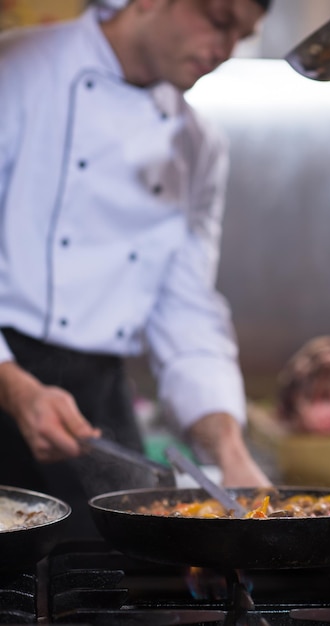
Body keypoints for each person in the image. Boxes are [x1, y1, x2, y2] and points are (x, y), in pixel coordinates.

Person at [0, 0, 271, 536]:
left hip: (97, 404)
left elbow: (186, 305)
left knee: (112, 580)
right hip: (6, 374)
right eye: (219, 19)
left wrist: (230, 449)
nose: (225, 50)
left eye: (242, 35)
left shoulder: (199, 145)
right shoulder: (16, 71)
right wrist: (14, 387)